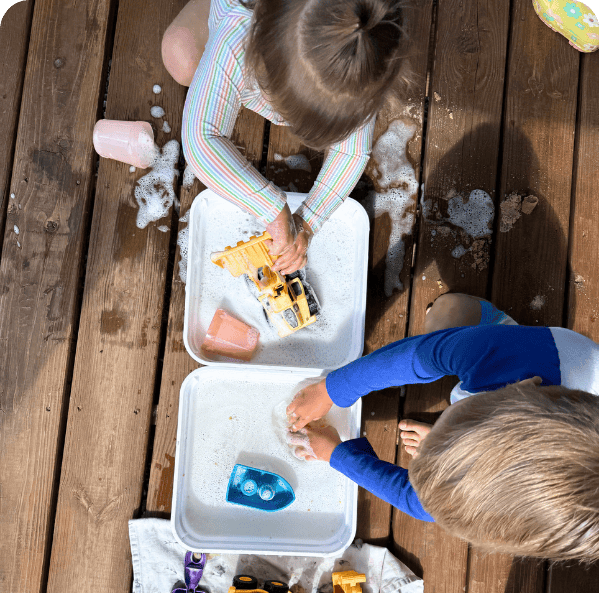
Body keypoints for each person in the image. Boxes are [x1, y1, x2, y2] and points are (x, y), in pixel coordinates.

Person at [286, 294, 599, 562]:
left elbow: (421, 503)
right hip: (533, 353)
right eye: (449, 428)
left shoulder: (501, 503)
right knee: (444, 314)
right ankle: (500, 328)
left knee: (451, 331)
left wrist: (337, 456)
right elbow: (422, 353)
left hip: (525, 399)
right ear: (522, 389)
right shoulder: (517, 363)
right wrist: (332, 389)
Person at [162, 0, 411, 273]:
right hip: (234, 14)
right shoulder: (237, 38)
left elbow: (350, 153)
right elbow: (200, 141)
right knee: (180, 57)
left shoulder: (359, 63)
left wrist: (308, 220)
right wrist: (273, 209)